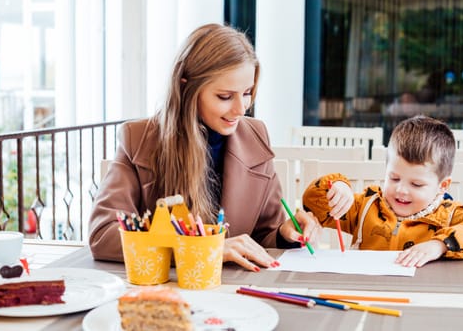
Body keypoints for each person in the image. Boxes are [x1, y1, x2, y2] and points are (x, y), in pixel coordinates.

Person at [89, 23, 318, 272]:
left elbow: (264, 234)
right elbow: (103, 235)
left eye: (247, 93)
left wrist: (284, 234)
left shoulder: (255, 135)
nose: (241, 109)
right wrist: (203, 250)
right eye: (225, 96)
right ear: (187, 88)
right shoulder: (140, 139)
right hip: (167, 293)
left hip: (237, 293)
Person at [302, 115, 463, 267]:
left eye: (416, 185)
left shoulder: (450, 215)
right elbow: (312, 204)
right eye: (394, 178)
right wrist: (337, 185)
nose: (401, 190)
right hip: (366, 292)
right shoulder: (365, 206)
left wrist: (439, 245)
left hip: (422, 295)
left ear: (442, 186)